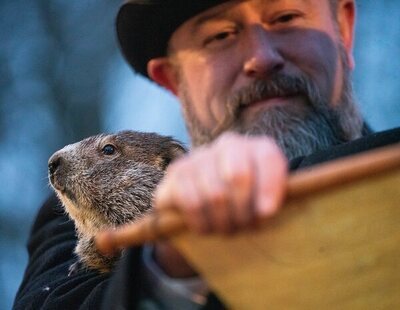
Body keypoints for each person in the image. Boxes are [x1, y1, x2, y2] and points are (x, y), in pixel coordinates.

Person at [13, 0, 400, 309]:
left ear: (345, 31)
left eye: (285, 17)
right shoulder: (65, 227)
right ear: (172, 80)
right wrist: (175, 257)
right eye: (219, 36)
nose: (262, 59)